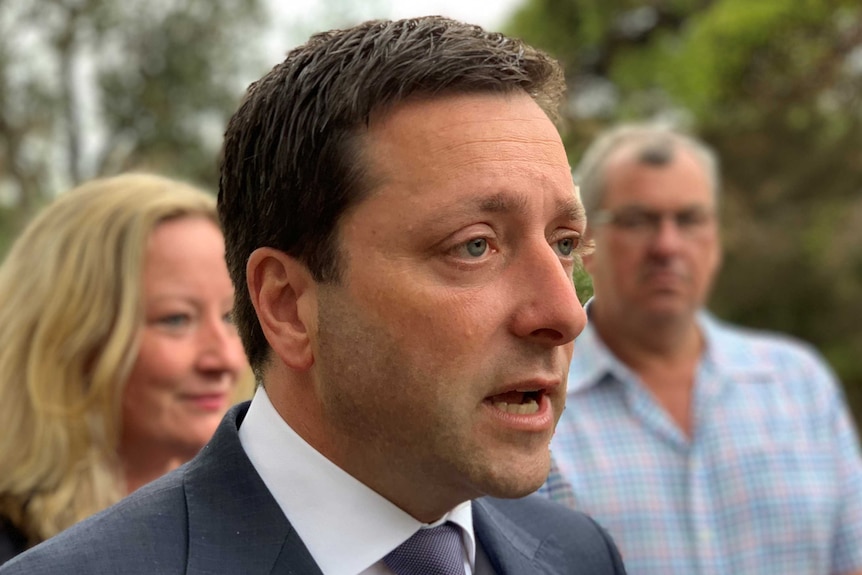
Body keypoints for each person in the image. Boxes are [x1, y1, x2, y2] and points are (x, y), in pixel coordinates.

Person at [0, 15, 628, 575]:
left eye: (566, 244)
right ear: (287, 306)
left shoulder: (580, 555)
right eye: (474, 246)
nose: (566, 313)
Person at [539, 122, 862, 575]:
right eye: (637, 220)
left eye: (689, 219)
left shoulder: (799, 382)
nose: (667, 245)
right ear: (587, 244)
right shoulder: (537, 398)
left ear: (715, 241)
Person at [0, 173, 251, 565]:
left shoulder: (254, 523)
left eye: (231, 317)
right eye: (176, 319)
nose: (225, 360)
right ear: (69, 338)